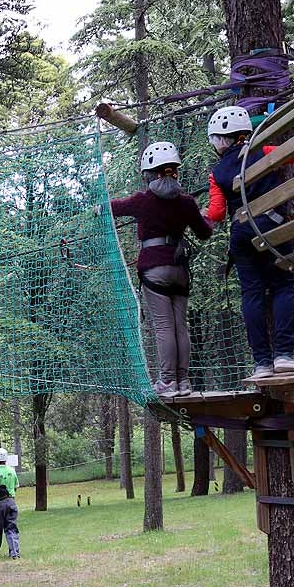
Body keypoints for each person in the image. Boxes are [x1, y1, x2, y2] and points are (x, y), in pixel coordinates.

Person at [207, 105, 294, 380]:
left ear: (217, 140)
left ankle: (261, 362)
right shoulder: (263, 153)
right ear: (244, 133)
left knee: (252, 294)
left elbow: (216, 213)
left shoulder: (217, 172)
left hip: (241, 235)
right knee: (283, 284)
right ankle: (283, 353)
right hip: (270, 227)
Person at [110, 141, 213, 398]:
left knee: (164, 328)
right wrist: (205, 215)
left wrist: (97, 207)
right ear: (173, 171)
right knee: (180, 326)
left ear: (148, 174)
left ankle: (167, 382)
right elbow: (204, 232)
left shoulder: (142, 201)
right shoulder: (187, 203)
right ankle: (183, 382)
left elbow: (113, 208)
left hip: (154, 269)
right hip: (179, 271)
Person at [0, 448, 20, 560]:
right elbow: (16, 486)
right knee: (11, 527)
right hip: (11, 501)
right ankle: (14, 552)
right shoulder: (12, 471)